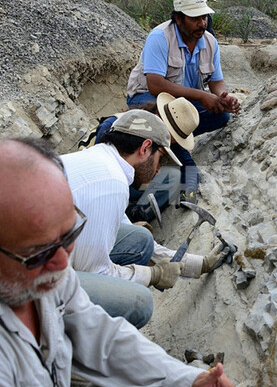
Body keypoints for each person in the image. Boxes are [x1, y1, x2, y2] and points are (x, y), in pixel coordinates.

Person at [0, 137, 236, 387]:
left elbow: (99, 333)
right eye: (40, 252)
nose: (63, 263)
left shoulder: (30, 263)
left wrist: (188, 380)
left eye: (68, 234)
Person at [63, 110, 223, 327]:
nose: (159, 170)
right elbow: (95, 272)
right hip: (25, 284)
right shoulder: (111, 184)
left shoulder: (100, 160)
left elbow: (141, 240)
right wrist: (152, 275)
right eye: (160, 160)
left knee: (140, 239)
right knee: (140, 303)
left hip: (38, 253)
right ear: (145, 148)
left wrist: (197, 265)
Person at [127, 0, 241, 204]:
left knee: (222, 117)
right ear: (178, 18)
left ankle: (168, 141)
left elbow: (216, 81)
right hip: (146, 99)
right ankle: (184, 167)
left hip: (182, 104)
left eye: (204, 17)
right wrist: (201, 95)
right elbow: (155, 84)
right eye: (195, 18)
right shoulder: (159, 37)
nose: (202, 23)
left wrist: (223, 97)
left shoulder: (209, 42)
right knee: (165, 123)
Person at [93, 94, 201, 223]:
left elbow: (189, 166)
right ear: (159, 118)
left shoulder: (166, 138)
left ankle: (136, 215)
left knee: (173, 176)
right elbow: (99, 171)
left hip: (132, 183)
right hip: (106, 186)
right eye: (173, 136)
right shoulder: (115, 125)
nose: (171, 141)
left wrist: (189, 192)